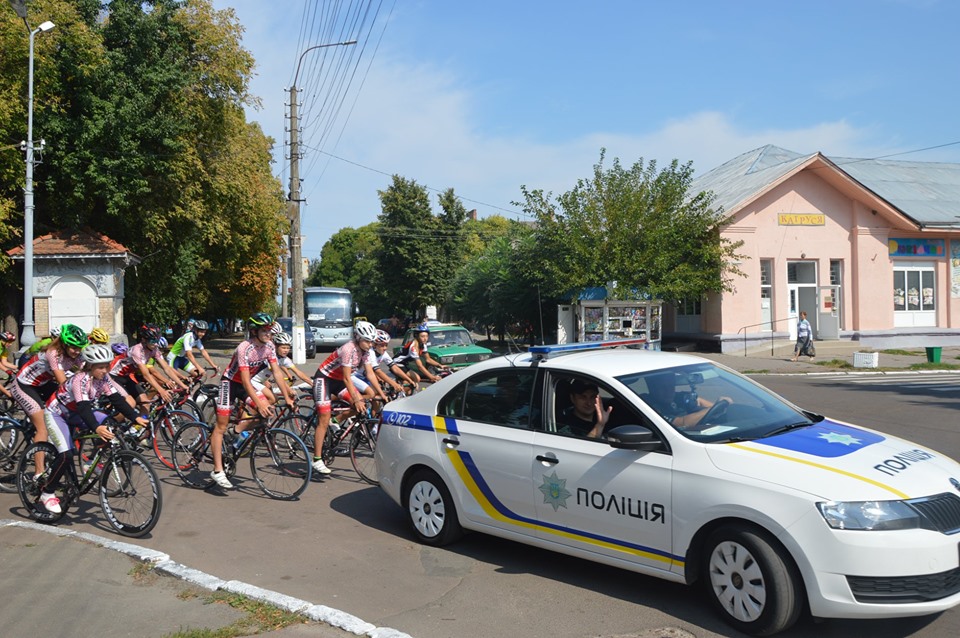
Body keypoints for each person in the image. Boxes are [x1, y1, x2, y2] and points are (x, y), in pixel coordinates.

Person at [39, 344, 149, 513]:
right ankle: (47, 492)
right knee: (66, 455)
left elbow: (117, 400)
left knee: (110, 423)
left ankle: (91, 461)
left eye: (107, 366)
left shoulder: (103, 379)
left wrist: (136, 417)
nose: (105, 370)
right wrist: (96, 428)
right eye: (101, 367)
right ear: (90, 366)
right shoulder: (80, 380)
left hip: (75, 412)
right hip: (57, 413)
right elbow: (84, 408)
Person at [210, 312, 295, 489]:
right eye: (264, 331)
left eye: (270, 331)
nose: (268, 334)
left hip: (246, 384)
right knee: (220, 426)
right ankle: (218, 470)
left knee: (266, 414)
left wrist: (287, 397)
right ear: (254, 331)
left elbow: (277, 372)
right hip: (231, 383)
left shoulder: (270, 346)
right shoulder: (244, 348)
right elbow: (246, 380)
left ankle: (236, 432)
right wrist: (259, 401)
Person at [11, 324, 87, 474]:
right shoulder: (53, 353)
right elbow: (63, 382)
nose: (77, 351)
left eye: (80, 347)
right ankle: (39, 473)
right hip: (24, 385)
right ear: (64, 344)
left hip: (43, 384)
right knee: (43, 428)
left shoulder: (76, 354)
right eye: (73, 347)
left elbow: (86, 371)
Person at [311, 320, 378, 475]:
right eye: (367, 341)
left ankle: (336, 420)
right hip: (325, 379)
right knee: (323, 418)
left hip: (339, 381)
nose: (370, 344)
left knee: (361, 405)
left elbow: (370, 373)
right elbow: (348, 378)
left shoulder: (366, 352)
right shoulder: (348, 349)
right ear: (358, 338)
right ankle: (317, 459)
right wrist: (356, 398)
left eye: (371, 341)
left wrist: (379, 393)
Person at [109, 323, 188, 407]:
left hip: (127, 376)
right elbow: (146, 374)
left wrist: (183, 385)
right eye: (153, 341)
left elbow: (167, 368)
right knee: (130, 404)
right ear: (144, 340)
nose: (156, 344)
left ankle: (141, 420)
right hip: (114, 376)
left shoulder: (154, 349)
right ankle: (113, 420)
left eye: (157, 340)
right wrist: (161, 391)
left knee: (145, 403)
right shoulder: (137, 350)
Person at [644, 372, 732, 429]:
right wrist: (711, 409)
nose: (668, 391)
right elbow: (681, 423)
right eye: (663, 387)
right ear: (652, 388)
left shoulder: (679, 397)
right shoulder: (649, 406)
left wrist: (721, 404)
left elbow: (699, 401)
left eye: (671, 386)